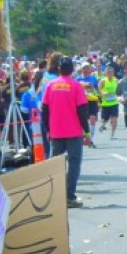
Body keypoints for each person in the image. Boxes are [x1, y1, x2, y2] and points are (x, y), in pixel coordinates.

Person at [41, 57, 90, 208]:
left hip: (56, 131)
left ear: (59, 69)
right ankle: (69, 196)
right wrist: (87, 131)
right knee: (74, 163)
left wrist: (48, 129)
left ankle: (56, 195)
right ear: (72, 69)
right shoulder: (76, 86)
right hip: (73, 131)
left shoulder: (51, 85)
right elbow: (82, 111)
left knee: (56, 164)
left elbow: (44, 109)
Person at [98, 64, 120, 139]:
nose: (110, 73)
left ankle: (112, 135)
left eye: (111, 72)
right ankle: (103, 125)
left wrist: (119, 95)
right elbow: (99, 89)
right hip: (106, 104)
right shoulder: (103, 81)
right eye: (108, 72)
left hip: (114, 103)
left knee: (114, 119)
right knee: (105, 119)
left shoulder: (116, 80)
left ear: (113, 73)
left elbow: (119, 90)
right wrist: (103, 93)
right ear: (105, 73)